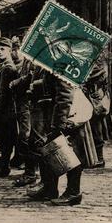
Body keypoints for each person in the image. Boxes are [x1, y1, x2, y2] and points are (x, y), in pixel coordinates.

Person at [26, 66, 85, 206]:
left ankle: (73, 192)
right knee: (50, 151)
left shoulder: (62, 64)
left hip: (65, 116)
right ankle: (49, 189)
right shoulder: (54, 62)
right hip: (56, 113)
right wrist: (39, 85)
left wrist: (58, 125)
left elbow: (65, 95)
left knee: (68, 154)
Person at [9, 36, 38, 186]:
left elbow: (30, 77)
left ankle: (31, 172)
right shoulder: (28, 58)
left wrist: (16, 82)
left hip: (29, 103)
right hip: (24, 102)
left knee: (27, 136)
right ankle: (30, 170)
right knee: (26, 136)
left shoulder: (33, 58)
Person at [0, 38, 18, 177]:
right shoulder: (2, 66)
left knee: (5, 139)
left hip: (5, 110)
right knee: (3, 138)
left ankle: (4, 167)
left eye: (2, 50)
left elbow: (2, 93)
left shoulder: (8, 67)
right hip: (3, 109)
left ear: (10, 51)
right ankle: (3, 165)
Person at [84, 51, 109, 168]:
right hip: (88, 96)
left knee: (95, 128)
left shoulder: (99, 60)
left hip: (94, 98)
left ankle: (99, 158)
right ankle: (90, 157)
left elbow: (98, 74)